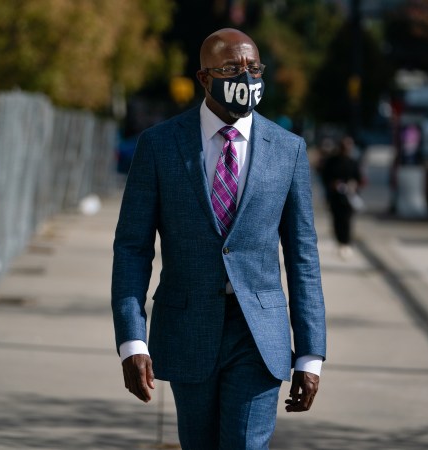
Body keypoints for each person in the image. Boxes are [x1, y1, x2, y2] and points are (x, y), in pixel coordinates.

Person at [111, 28, 326, 450]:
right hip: (188, 328)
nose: (245, 78)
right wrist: (131, 339)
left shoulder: (288, 150)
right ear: (204, 78)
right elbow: (132, 248)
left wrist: (311, 353)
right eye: (231, 68)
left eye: (253, 68)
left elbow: (302, 257)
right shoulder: (159, 145)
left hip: (258, 334)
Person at [318, 136, 365, 259]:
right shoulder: (332, 162)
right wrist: (332, 184)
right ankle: (339, 241)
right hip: (335, 197)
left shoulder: (353, 162)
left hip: (349, 197)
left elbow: (359, 179)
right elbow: (324, 177)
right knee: (336, 220)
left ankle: (346, 242)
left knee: (347, 220)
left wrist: (353, 185)